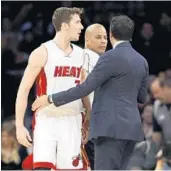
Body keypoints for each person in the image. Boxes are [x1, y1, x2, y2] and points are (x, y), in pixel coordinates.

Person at [32, 15, 149, 170]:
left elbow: (85, 88)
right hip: (132, 129)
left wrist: (51, 98)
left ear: (111, 34)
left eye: (104, 37)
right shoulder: (142, 61)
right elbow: (142, 97)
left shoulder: (108, 58)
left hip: (109, 129)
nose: (103, 41)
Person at [15, 7, 91, 170]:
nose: (81, 27)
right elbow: (23, 90)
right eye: (77, 22)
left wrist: (88, 118)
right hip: (47, 121)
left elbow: (84, 89)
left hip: (73, 121)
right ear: (64, 25)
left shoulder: (81, 54)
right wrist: (19, 126)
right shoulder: (42, 52)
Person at [83, 23, 108, 170]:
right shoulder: (86, 57)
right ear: (87, 39)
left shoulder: (101, 59)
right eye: (98, 37)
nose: (103, 41)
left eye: (105, 37)